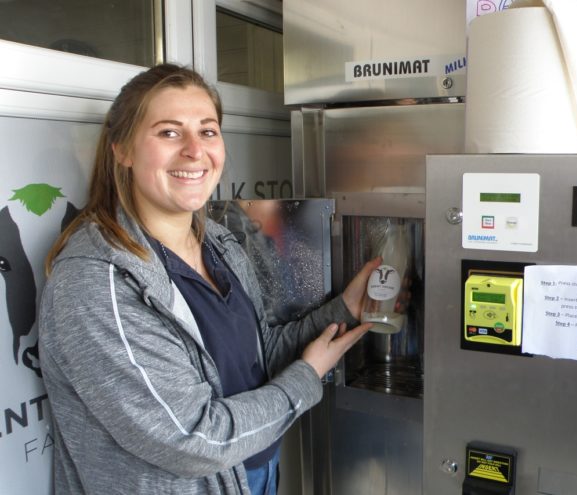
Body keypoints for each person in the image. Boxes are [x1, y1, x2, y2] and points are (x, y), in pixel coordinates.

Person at [38, 63, 379, 495]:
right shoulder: (96, 282)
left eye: (208, 130)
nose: (194, 150)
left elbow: (257, 356)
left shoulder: (216, 241)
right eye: (169, 132)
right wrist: (306, 379)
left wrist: (344, 310)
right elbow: (194, 439)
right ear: (121, 149)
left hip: (251, 476)